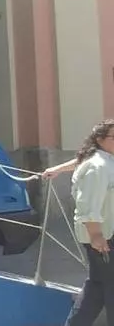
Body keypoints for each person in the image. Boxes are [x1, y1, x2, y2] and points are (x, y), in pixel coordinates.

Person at [64, 119, 114, 325]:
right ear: (100, 140)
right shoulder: (97, 166)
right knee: (108, 286)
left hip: (107, 234)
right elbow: (88, 205)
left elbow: (77, 161)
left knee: (97, 287)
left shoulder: (106, 160)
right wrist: (96, 236)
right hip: (104, 238)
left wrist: (56, 169)